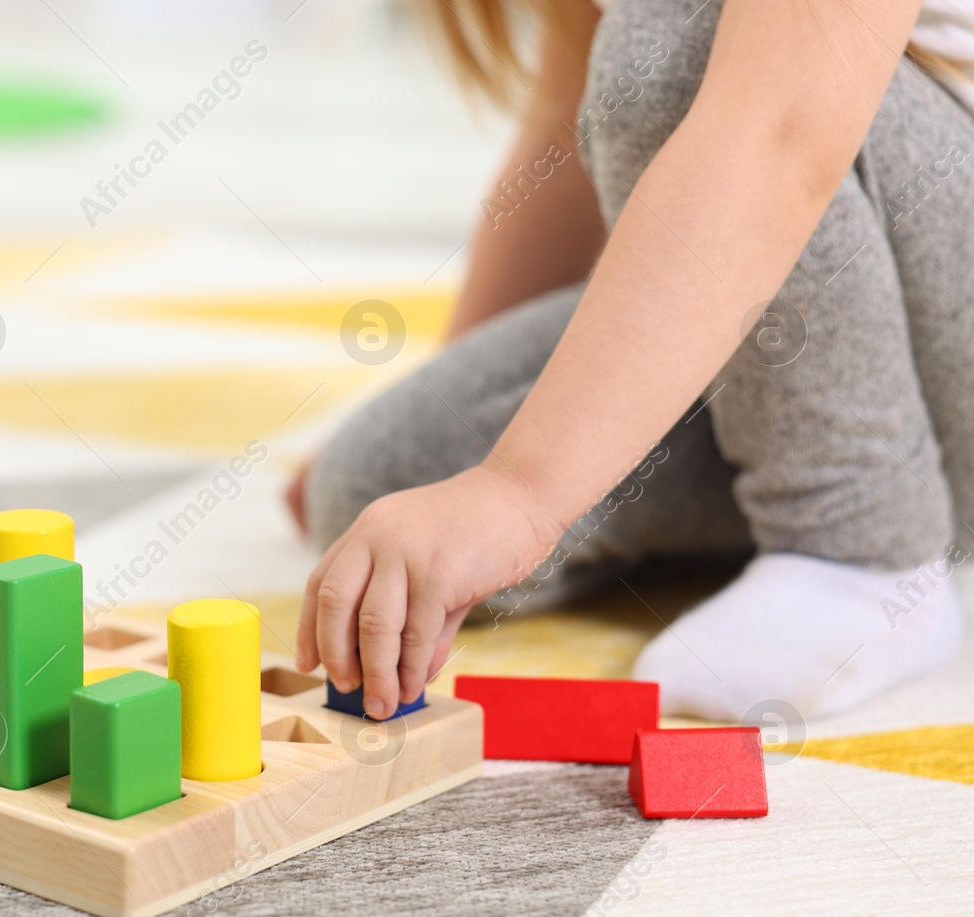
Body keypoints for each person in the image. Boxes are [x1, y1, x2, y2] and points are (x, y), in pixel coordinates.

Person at [291, 0, 974, 722]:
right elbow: (571, 125)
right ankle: (874, 485)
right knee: (388, 483)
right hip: (859, 310)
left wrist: (520, 492)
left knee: (675, 37)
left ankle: (857, 551)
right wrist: (466, 464)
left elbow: (780, 130)